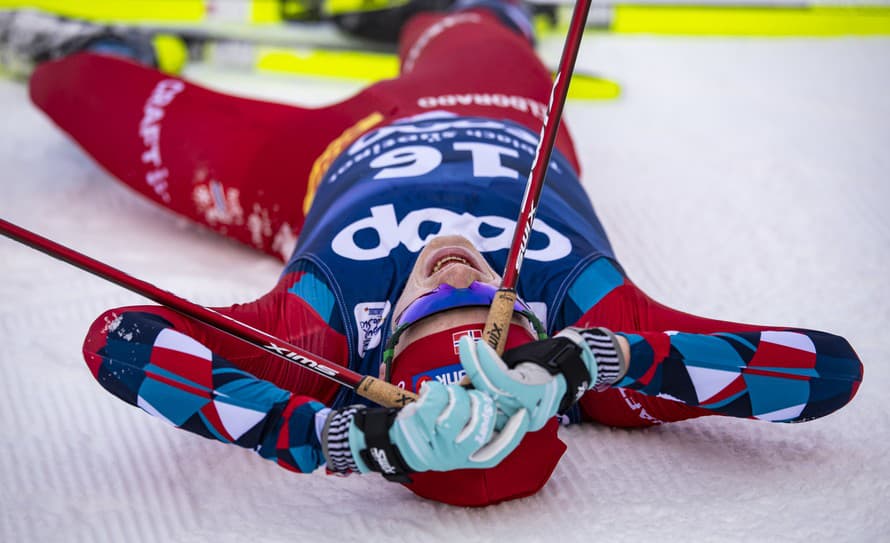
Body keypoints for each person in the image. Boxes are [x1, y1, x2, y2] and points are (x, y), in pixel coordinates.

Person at [24, 0, 863, 507]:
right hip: (490, 104)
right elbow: (824, 370)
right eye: (500, 306)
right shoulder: (594, 330)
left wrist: (335, 435)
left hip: (310, 160)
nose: (458, 266)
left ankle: (98, 47)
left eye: (431, 302)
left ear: (380, 344)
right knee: (469, 18)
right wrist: (592, 360)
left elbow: (123, 340)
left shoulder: (322, 340)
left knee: (73, 91)